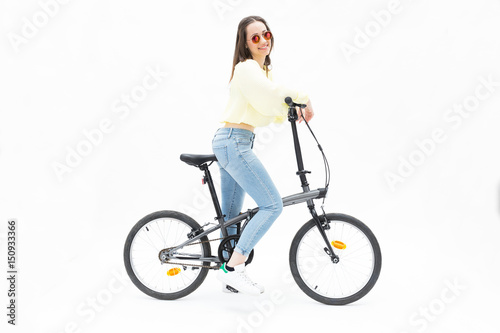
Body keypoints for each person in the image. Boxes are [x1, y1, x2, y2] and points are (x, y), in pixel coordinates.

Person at [213, 15, 314, 295]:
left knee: (231, 216)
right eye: (255, 37)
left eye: (266, 34)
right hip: (234, 143)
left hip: (234, 141)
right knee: (272, 205)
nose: (263, 41)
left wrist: (288, 110)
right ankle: (233, 269)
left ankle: (227, 272)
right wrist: (302, 98)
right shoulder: (246, 68)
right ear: (245, 44)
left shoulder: (259, 71)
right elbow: (270, 96)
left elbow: (267, 104)